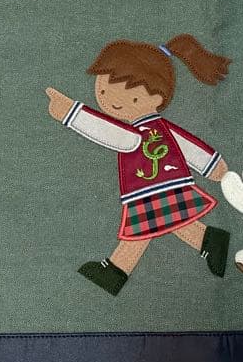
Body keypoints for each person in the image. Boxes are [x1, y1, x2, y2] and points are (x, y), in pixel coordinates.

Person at [44, 35, 231, 296]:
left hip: (154, 186)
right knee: (167, 223)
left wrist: (71, 114)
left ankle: (115, 272)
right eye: (104, 91)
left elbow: (115, 134)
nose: (112, 100)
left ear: (157, 98)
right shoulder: (158, 127)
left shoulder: (138, 131)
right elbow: (186, 144)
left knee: (143, 229)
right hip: (160, 185)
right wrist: (212, 165)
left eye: (130, 96)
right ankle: (208, 240)